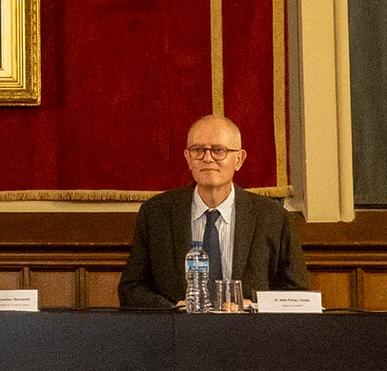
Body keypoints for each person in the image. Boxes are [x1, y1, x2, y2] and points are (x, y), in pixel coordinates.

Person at [119, 114, 309, 308]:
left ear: (239, 159)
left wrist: (253, 306)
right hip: (178, 325)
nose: (207, 158)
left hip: (248, 326)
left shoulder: (273, 218)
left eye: (219, 151)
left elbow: (298, 294)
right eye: (198, 150)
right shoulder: (156, 214)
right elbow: (131, 289)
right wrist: (172, 308)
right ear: (188, 158)